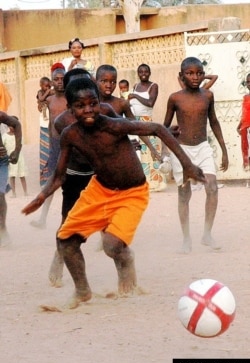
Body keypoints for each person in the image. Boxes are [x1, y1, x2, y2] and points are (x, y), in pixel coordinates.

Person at [22, 78, 205, 309]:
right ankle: (82, 290)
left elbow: (157, 129)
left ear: (99, 103)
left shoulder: (113, 125)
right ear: (70, 108)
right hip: (99, 190)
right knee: (65, 240)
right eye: (80, 105)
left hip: (132, 192)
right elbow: (59, 175)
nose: (88, 110)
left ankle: (127, 267)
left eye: (92, 103)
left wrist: (187, 165)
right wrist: (41, 196)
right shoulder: (70, 134)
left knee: (112, 246)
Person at [48, 68, 119, 287]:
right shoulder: (61, 121)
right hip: (75, 176)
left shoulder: (102, 110)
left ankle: (124, 271)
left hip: (99, 174)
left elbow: (120, 129)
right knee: (66, 224)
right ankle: (59, 259)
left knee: (111, 227)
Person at [163, 57, 229, 253]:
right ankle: (186, 238)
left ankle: (207, 234)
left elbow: (214, 121)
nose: (195, 77)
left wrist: (224, 150)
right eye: (190, 73)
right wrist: (165, 149)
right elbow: (164, 127)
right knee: (184, 194)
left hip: (202, 147)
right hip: (182, 151)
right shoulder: (175, 98)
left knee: (213, 187)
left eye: (199, 73)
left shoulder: (207, 95)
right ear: (182, 75)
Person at [96, 64, 160, 162]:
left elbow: (136, 127)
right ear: (96, 81)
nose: (108, 85)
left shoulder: (121, 104)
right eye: (104, 81)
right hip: (96, 155)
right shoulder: (91, 105)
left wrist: (151, 147)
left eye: (113, 82)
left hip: (117, 155)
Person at [30, 62, 67, 229]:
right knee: (51, 182)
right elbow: (40, 103)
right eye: (56, 79)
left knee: (80, 186)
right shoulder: (50, 99)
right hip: (55, 145)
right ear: (52, 81)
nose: (59, 81)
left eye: (62, 78)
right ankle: (43, 219)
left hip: (71, 145)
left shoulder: (71, 99)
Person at [128, 63, 167, 192]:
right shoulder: (135, 86)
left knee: (151, 152)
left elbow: (150, 103)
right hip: (134, 123)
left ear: (149, 73)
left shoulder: (153, 86)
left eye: (146, 71)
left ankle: (156, 182)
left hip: (146, 122)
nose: (143, 74)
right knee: (139, 154)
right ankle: (143, 183)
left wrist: (135, 96)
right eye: (141, 72)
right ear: (138, 73)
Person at [0, 112, 22, 247]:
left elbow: (16, 124)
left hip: (1, 162)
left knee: (0, 194)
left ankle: (3, 229)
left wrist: (17, 150)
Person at [2, 116, 28, 197]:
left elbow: (20, 145)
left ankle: (25, 192)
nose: (12, 127)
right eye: (10, 125)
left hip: (19, 158)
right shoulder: (5, 136)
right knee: (12, 176)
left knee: (22, 175)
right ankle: (14, 193)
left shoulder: (18, 136)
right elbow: (3, 147)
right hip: (10, 158)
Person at [36, 77, 54, 190]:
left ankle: (52, 179)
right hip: (44, 126)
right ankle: (44, 179)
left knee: (52, 152)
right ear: (41, 85)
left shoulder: (52, 95)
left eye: (48, 86)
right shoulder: (40, 93)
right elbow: (41, 99)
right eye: (45, 86)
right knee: (44, 152)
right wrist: (48, 91)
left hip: (51, 126)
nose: (47, 88)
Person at [237, 73, 250, 174]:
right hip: (245, 129)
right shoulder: (246, 97)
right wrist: (239, 126)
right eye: (248, 82)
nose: (249, 84)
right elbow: (245, 114)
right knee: (247, 154)